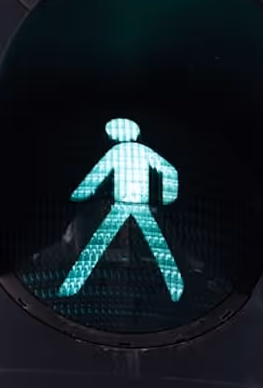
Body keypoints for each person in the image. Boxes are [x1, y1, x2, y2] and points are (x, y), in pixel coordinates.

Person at [58, 118, 184, 302]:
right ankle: (175, 287)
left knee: (96, 246)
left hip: (122, 205)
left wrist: (78, 195)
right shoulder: (145, 152)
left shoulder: (116, 152)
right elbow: (170, 171)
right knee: (159, 247)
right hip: (139, 205)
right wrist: (168, 196)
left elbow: (96, 176)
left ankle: (71, 287)